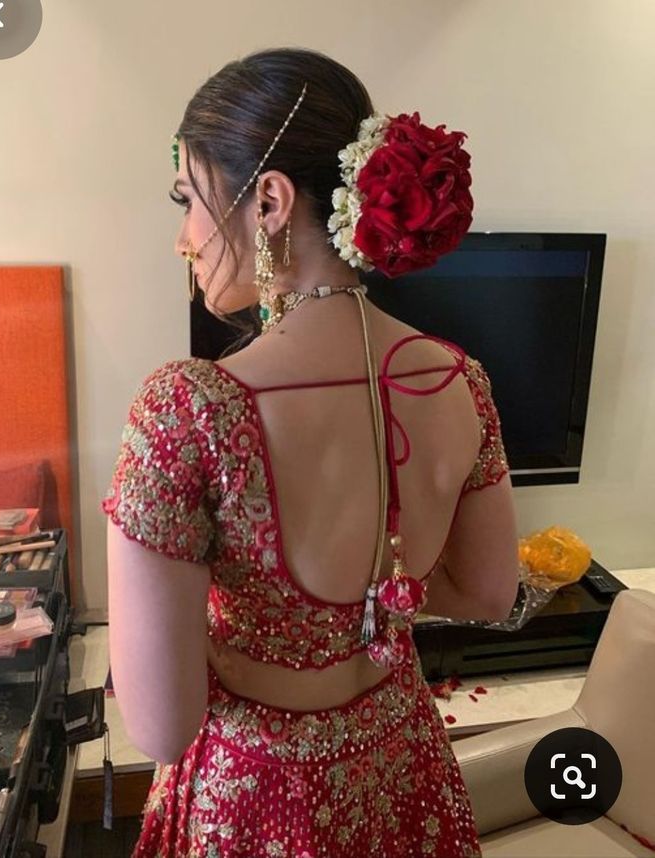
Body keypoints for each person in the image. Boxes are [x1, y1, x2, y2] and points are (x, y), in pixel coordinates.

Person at [103, 46, 520, 858]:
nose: (184, 237)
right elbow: (485, 592)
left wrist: (237, 621)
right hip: (402, 770)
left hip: (256, 802)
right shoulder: (458, 381)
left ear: (268, 200)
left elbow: (161, 725)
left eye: (188, 199)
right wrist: (371, 588)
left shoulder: (187, 409)